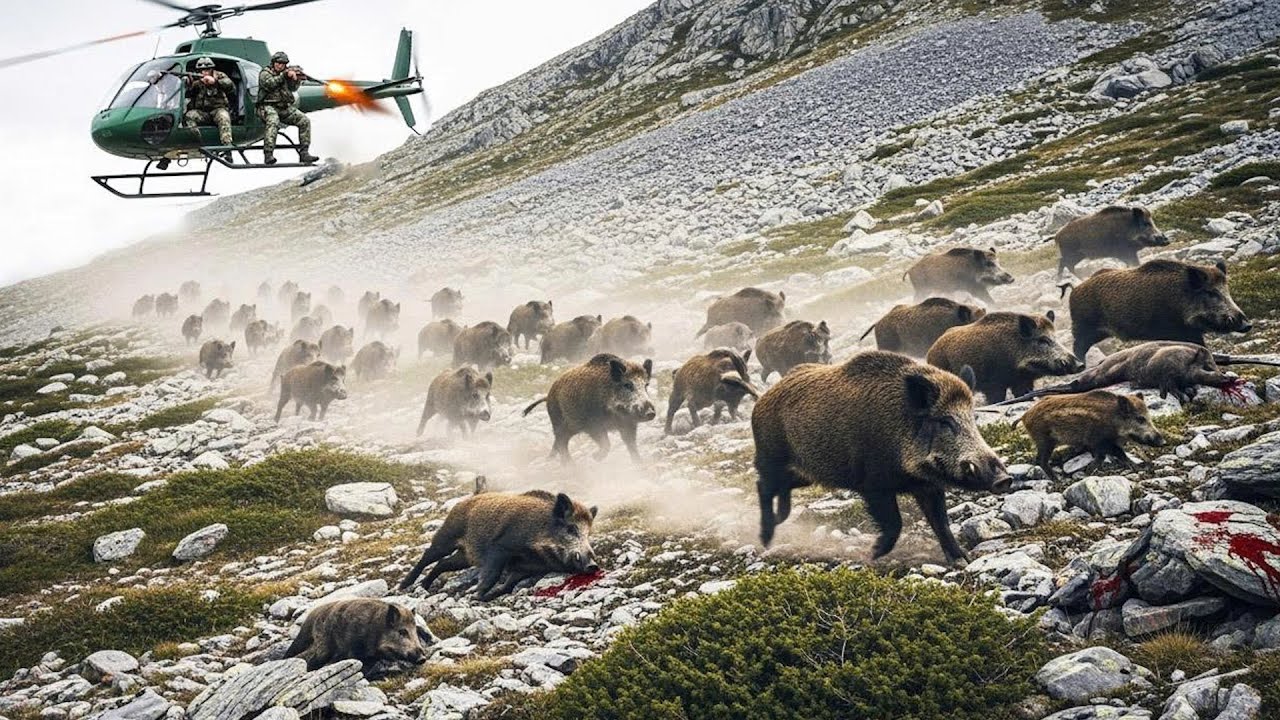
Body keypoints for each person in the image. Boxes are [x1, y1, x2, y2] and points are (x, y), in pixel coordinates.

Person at [257, 50, 318, 165]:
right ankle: (268, 154)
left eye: (283, 64)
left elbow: (292, 89)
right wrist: (284, 75)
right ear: (273, 63)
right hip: (267, 106)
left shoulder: (285, 73)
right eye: (278, 63)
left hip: (283, 107)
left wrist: (296, 80)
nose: (280, 65)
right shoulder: (265, 73)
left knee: (304, 121)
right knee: (273, 121)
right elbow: (269, 84)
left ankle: (304, 153)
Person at [181, 56, 234, 150]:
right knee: (189, 116)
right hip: (202, 112)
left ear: (211, 69)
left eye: (207, 70)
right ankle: (199, 143)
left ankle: (227, 146)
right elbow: (188, 93)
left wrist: (215, 82)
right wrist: (196, 83)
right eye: (202, 70)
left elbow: (230, 86)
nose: (204, 72)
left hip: (217, 110)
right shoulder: (196, 78)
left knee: (224, 116)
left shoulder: (219, 75)